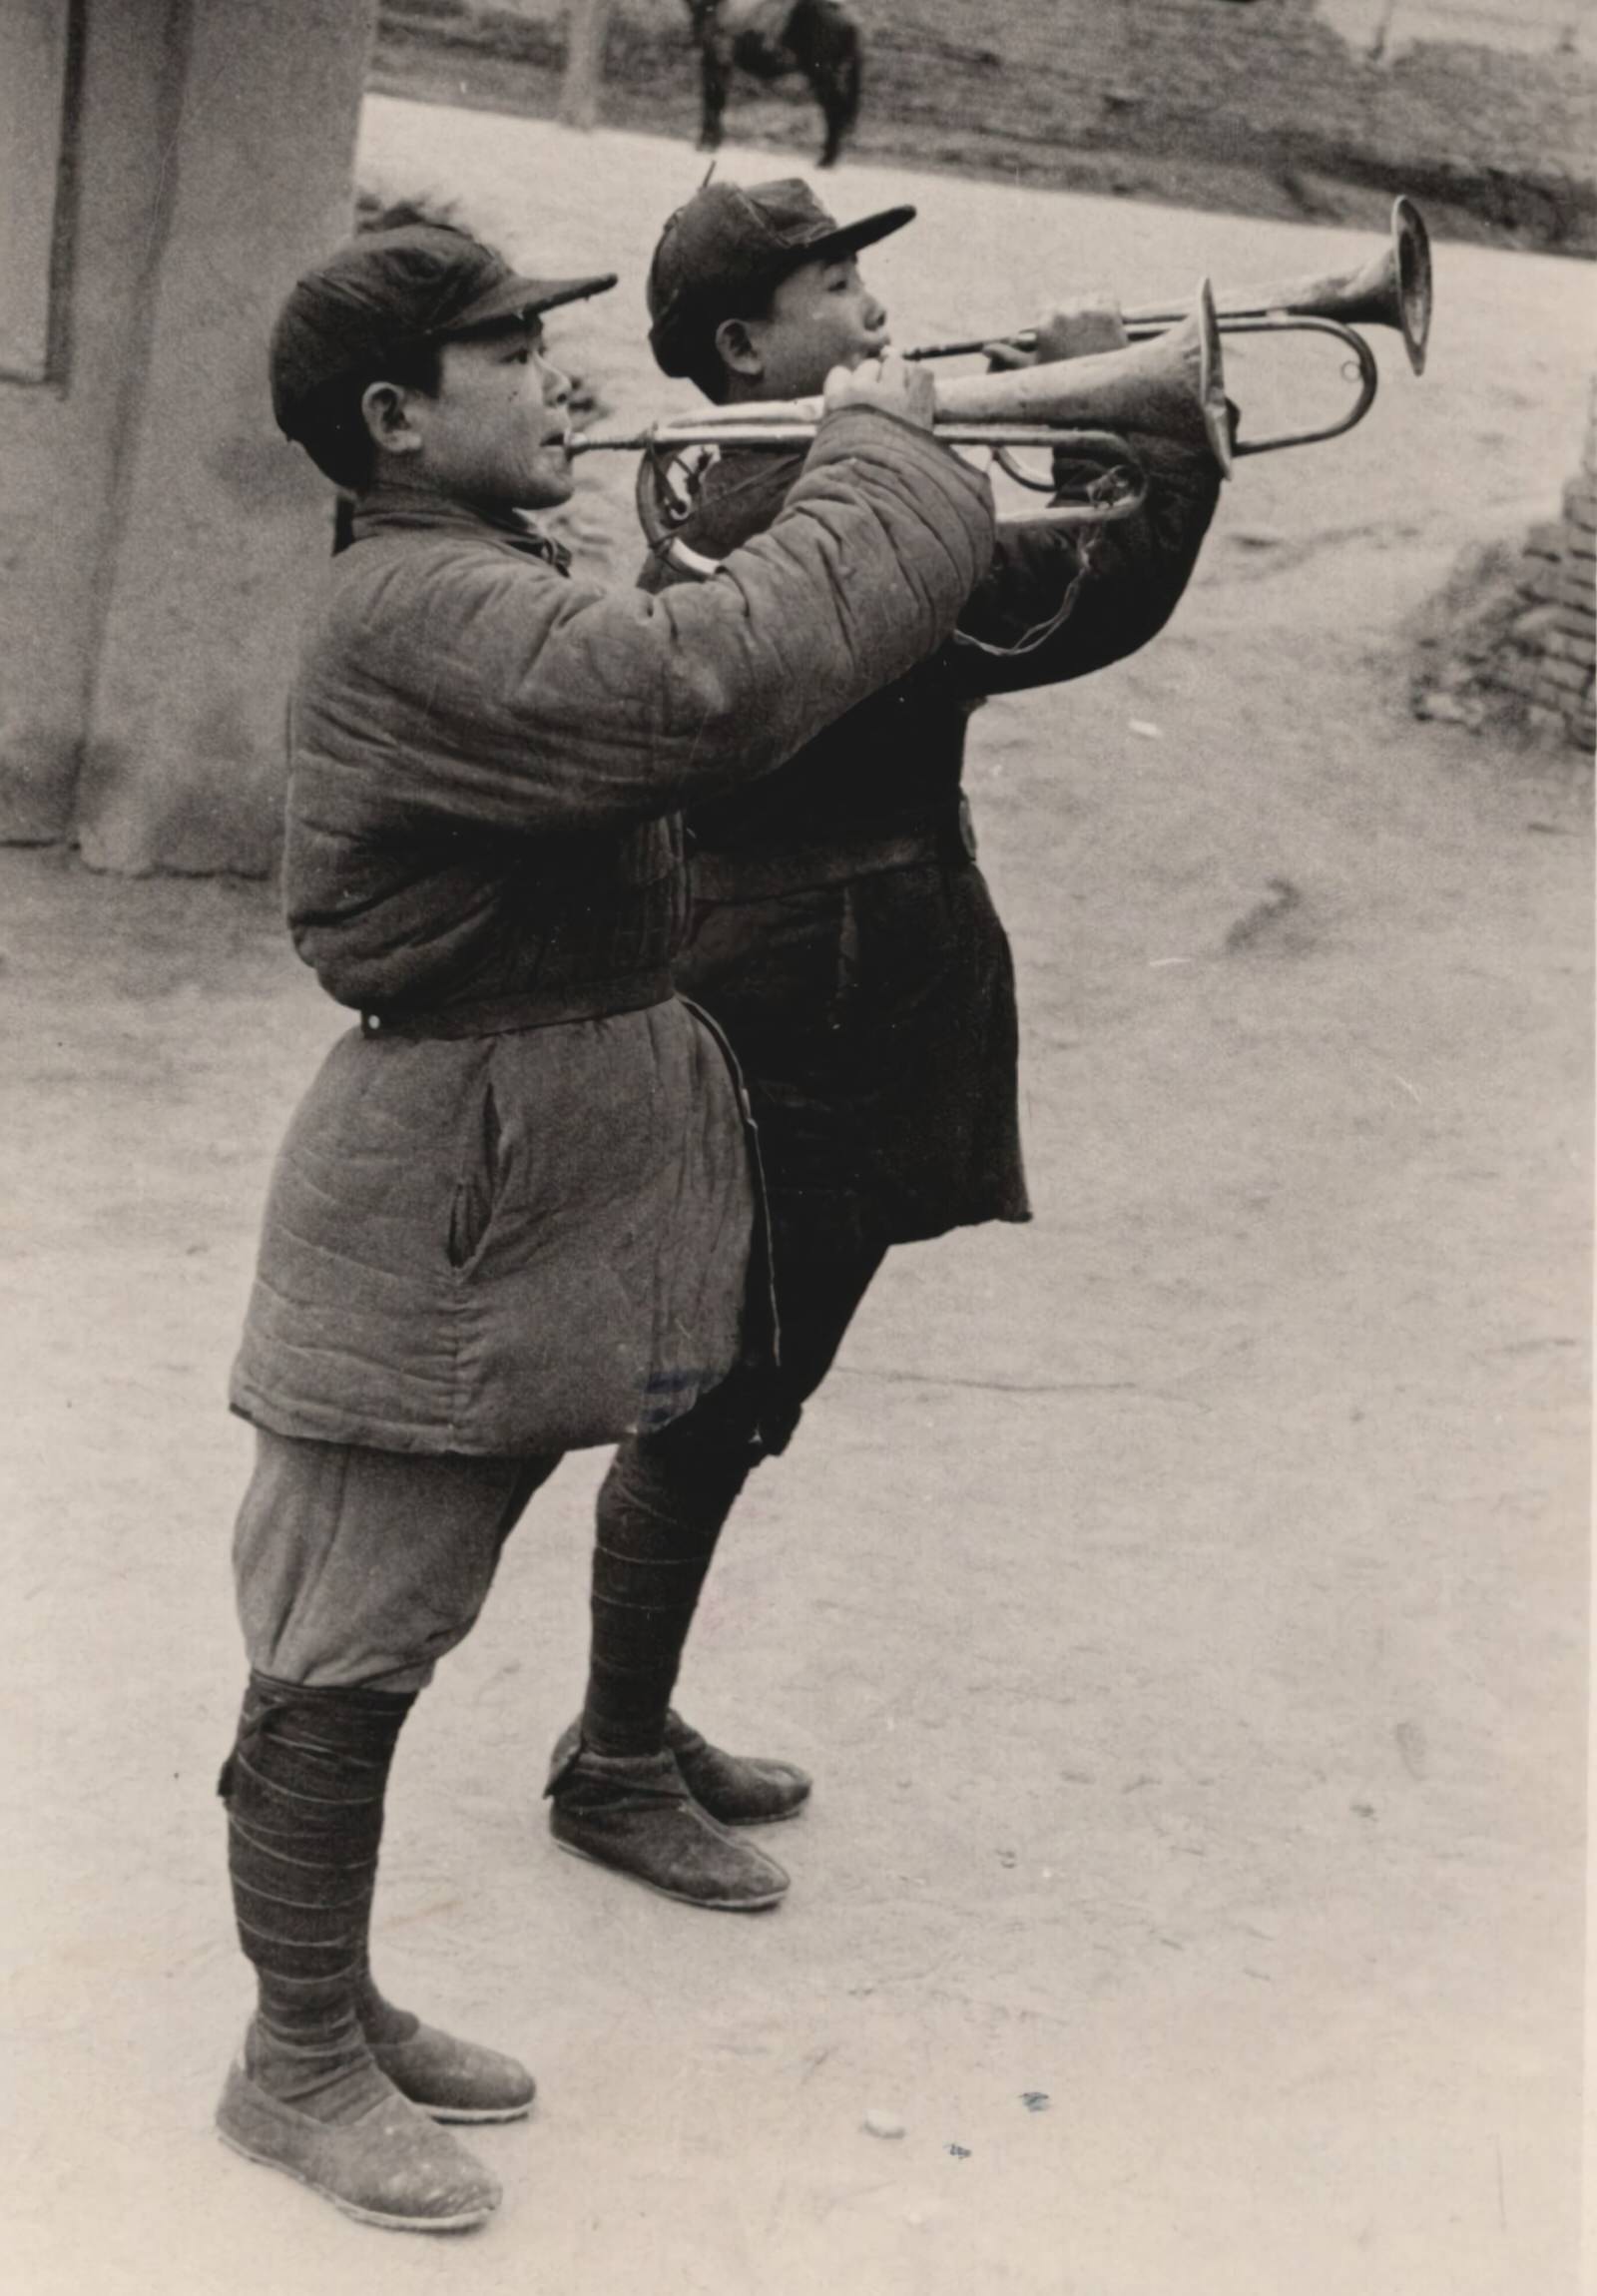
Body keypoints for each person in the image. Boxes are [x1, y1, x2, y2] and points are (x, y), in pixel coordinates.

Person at [218, 215, 996, 2234]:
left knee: (393, 1614)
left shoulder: (478, 573)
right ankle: (292, 2054)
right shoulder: (413, 609)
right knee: (349, 1632)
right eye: (511, 353)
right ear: (394, 417)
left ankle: (332, 2004)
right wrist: (881, 456)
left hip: (530, 1138)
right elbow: (715, 678)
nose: (563, 380)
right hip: (439, 1173)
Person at [544, 177, 1229, 1903]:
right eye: (831, 286)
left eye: (860, 277)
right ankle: (614, 1760)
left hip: (860, 961)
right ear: (741, 345)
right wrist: (1151, 443)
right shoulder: (797, 499)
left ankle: (629, 1714)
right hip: (805, 982)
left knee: (762, 1368)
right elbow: (1061, 612)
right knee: (735, 1373)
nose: (870, 312)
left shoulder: (785, 482)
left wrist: (1122, 441)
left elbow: (1014, 602)